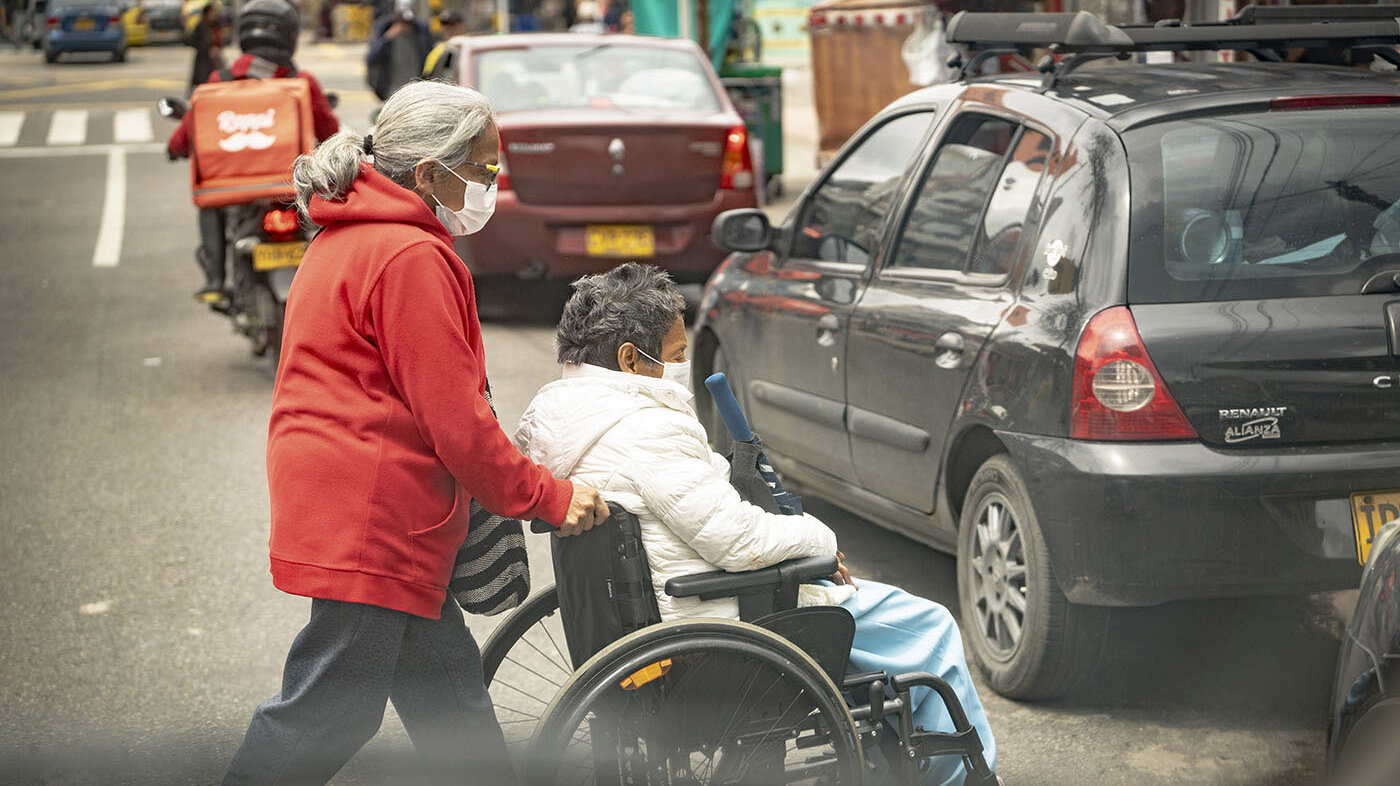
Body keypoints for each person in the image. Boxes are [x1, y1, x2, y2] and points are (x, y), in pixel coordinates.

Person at [221, 80, 611, 785]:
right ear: (431, 173)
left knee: (452, 710)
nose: (493, 184)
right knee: (325, 715)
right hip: (374, 516)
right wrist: (549, 497)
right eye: (486, 170)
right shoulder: (409, 257)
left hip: (367, 507)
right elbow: (457, 423)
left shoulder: (354, 236)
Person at [514, 263, 997, 786]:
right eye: (676, 355)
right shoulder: (644, 427)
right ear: (630, 359)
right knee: (932, 627)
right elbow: (738, 542)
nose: (682, 367)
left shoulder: (561, 421)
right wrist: (820, 541)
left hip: (651, 624)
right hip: (727, 622)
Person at [166, 0, 340, 303]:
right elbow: (330, 133)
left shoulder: (220, 81)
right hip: (291, 186)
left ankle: (215, 280)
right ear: (290, 35)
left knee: (209, 203)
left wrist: (173, 149)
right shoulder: (300, 82)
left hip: (231, 190)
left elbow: (187, 134)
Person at [366, 0, 432, 101]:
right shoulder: (384, 27)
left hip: (417, 90)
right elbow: (372, 57)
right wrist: (387, 38)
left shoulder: (421, 30)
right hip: (392, 90)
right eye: (401, 20)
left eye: (408, 22)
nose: (405, 25)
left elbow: (430, 58)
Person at [185, 0, 224, 94]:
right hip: (203, 61)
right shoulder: (201, 26)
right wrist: (208, 50)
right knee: (202, 84)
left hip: (216, 61)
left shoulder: (217, 26)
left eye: (215, 13)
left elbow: (220, 41)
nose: (213, 15)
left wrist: (217, 49)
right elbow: (191, 41)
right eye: (211, 13)